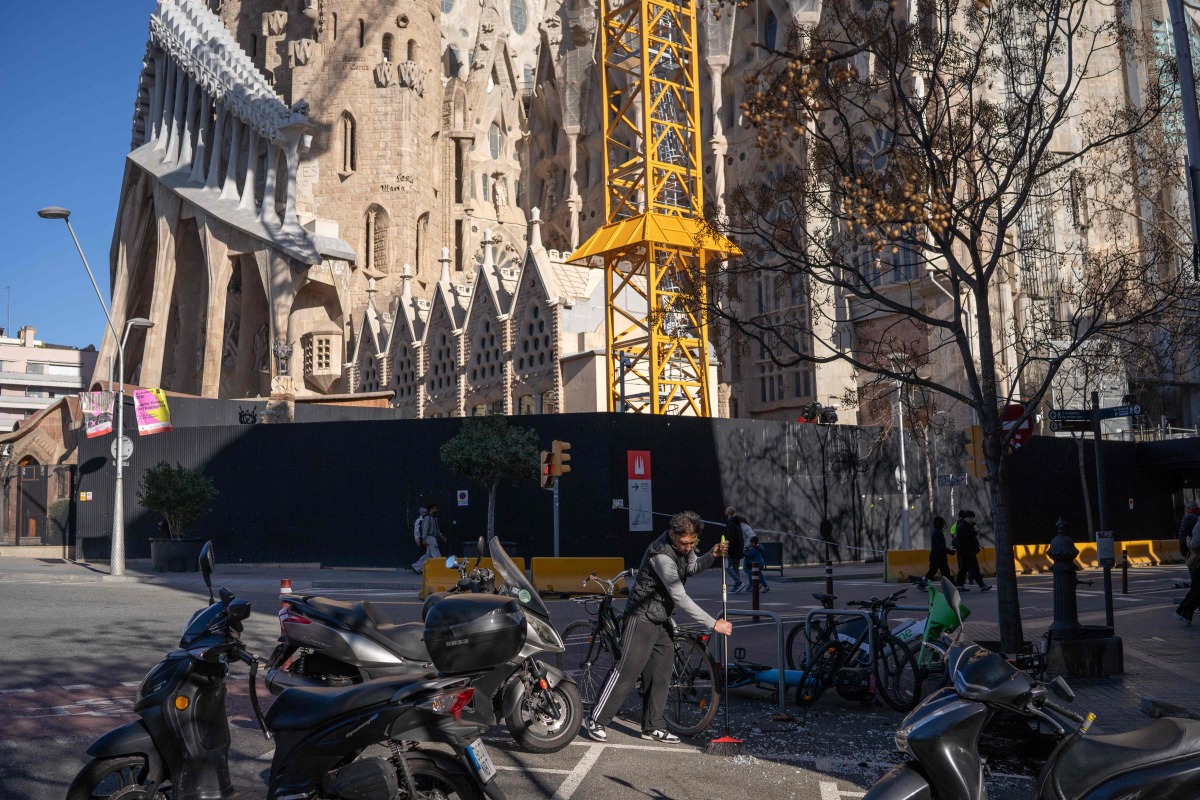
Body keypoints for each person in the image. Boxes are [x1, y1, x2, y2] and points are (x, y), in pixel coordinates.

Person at [582, 511, 733, 744]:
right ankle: (596, 719)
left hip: (661, 618)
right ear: (673, 535)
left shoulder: (686, 545)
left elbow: (692, 567)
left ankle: (653, 726)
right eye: (685, 543)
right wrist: (713, 623)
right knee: (627, 671)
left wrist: (712, 554)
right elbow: (680, 597)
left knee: (661, 673)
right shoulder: (661, 555)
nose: (689, 547)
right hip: (641, 617)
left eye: (693, 543)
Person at [954, 510, 991, 592]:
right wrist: (974, 533)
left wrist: (977, 545)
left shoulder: (967, 526)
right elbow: (966, 538)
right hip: (967, 551)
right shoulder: (962, 527)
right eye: (971, 518)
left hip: (968, 551)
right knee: (974, 568)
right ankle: (982, 585)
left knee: (964, 569)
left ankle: (959, 585)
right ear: (967, 517)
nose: (972, 520)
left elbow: (971, 539)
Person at [1175, 517, 1200, 624]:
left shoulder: (1198, 526)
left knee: (1197, 589)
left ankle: (1184, 612)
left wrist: (1188, 540)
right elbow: (1196, 543)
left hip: (1197, 562)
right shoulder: (1198, 526)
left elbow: (1194, 544)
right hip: (1198, 562)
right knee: (1197, 589)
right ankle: (1183, 612)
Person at [411, 503, 446, 573]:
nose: (436, 509)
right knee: (436, 555)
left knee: (428, 556)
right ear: (431, 509)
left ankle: (416, 567)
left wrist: (442, 537)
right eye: (435, 508)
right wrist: (424, 539)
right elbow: (425, 529)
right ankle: (440, 570)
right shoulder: (427, 518)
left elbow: (437, 530)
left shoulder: (434, 518)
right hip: (430, 538)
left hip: (432, 538)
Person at [723, 506, 747, 593]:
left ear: (727, 513)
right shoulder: (737, 523)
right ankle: (738, 586)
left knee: (727, 567)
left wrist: (727, 549)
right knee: (736, 568)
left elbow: (730, 537)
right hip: (739, 548)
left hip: (732, 550)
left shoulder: (730, 523)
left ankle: (738, 582)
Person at [925, 516, 955, 581]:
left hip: (938, 557)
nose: (944, 526)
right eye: (943, 524)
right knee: (933, 572)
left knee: (943, 573)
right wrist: (950, 552)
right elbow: (941, 547)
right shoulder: (937, 533)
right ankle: (923, 583)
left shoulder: (937, 532)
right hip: (937, 557)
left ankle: (951, 585)